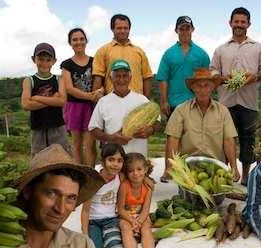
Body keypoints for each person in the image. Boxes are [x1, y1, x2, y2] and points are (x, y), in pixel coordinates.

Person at [211, 7, 261, 186]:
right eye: (236, 22)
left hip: (248, 102)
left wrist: (255, 76)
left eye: (243, 22)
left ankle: (245, 176)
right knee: (225, 140)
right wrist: (223, 78)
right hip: (226, 102)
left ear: (248, 24)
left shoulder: (258, 48)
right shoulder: (221, 49)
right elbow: (213, 70)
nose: (239, 25)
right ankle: (227, 177)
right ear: (230, 23)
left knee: (247, 140)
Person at [163, 68, 240, 182]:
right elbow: (173, 139)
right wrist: (169, 167)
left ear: (212, 87)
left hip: (216, 167)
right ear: (192, 88)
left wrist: (234, 168)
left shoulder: (223, 111)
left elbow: (229, 140)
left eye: (206, 85)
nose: (203, 90)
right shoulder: (181, 110)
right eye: (198, 86)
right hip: (187, 168)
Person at [88, 59, 159, 157]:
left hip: (138, 162)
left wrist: (150, 130)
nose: (121, 80)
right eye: (117, 76)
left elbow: (157, 121)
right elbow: (93, 129)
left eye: (125, 76)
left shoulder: (142, 100)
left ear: (130, 77)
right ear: (110, 78)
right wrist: (111, 138)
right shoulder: (103, 102)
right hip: (114, 161)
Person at [61, 28, 105, 165]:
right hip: (74, 107)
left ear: (86, 41)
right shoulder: (66, 65)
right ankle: (79, 175)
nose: (78, 42)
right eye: (75, 39)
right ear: (70, 43)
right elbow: (69, 88)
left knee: (90, 144)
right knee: (77, 144)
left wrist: (100, 92)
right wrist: (90, 96)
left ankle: (91, 174)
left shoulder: (95, 61)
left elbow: (104, 82)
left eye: (81, 39)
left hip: (91, 108)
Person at [21, 43, 70, 156]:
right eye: (41, 59)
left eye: (48, 60)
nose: (44, 63)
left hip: (57, 127)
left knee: (62, 158)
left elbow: (62, 101)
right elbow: (26, 104)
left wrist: (37, 98)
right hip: (38, 128)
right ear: (34, 59)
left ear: (54, 61)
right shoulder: (29, 80)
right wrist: (53, 99)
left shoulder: (59, 79)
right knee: (39, 161)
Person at [156, 15, 210, 116]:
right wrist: (163, 101)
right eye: (181, 29)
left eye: (187, 28)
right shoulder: (168, 53)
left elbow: (207, 81)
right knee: (174, 132)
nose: (185, 31)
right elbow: (163, 79)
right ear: (176, 30)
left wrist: (205, 101)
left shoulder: (202, 54)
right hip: (173, 104)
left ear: (192, 29)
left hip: (196, 103)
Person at [93, 14, 153, 99]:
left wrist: (146, 101)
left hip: (136, 103)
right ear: (112, 29)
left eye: (125, 28)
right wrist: (96, 102)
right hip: (112, 101)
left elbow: (146, 77)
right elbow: (98, 78)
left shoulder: (139, 52)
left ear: (129, 29)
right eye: (119, 28)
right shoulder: (102, 51)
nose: (123, 31)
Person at [117, 153, 156, 248]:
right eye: (131, 170)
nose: (135, 173)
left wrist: (139, 221)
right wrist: (131, 221)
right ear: (126, 173)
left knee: (147, 227)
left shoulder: (148, 188)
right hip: (126, 217)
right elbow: (121, 209)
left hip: (141, 217)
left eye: (139, 169)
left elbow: (146, 210)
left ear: (145, 170)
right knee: (125, 228)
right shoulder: (124, 186)